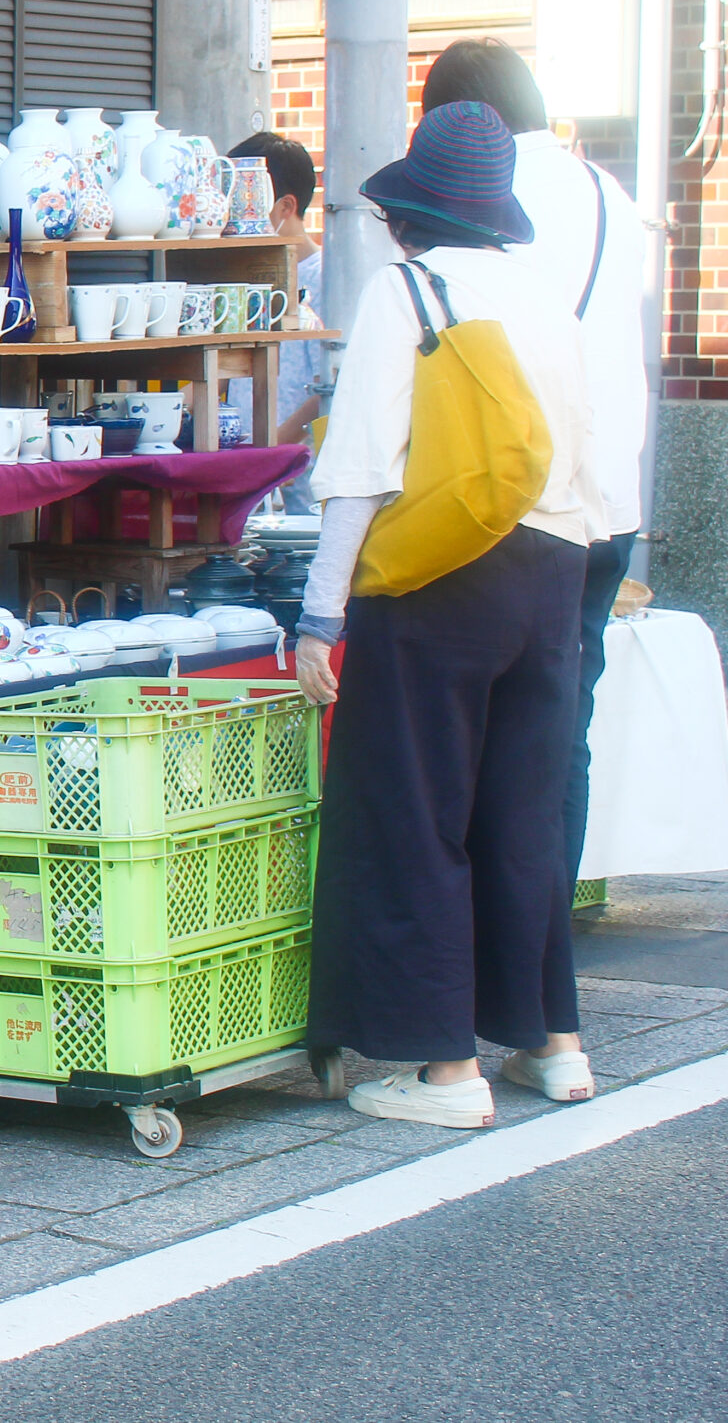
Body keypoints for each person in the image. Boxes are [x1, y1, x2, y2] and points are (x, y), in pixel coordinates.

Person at [295, 101, 604, 1129]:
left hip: (440, 580)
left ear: (408, 213)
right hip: (554, 570)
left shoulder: (407, 290)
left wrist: (320, 613)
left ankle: (445, 1071)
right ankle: (553, 1044)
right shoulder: (544, 294)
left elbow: (360, 464)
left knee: (415, 813)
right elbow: (585, 455)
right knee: (523, 816)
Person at [418, 38, 647, 946]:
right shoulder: (610, 193)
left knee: (479, 733)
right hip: (610, 497)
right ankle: (543, 950)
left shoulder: (495, 200)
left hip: (520, 504)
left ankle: (491, 951)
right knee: (561, 728)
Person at [224, 131, 329, 445]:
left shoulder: (325, 279)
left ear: (286, 206)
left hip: (295, 465)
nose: (231, 217)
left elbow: (329, 384)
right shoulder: (242, 275)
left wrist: (274, 450)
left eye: (244, 203)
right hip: (249, 458)